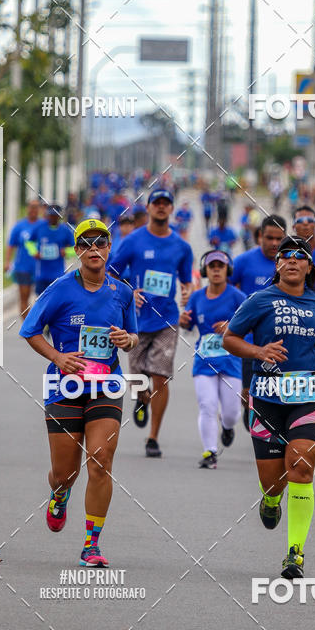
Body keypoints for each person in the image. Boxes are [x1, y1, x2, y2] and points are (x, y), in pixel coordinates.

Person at [223, 236, 315, 579]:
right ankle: (270, 500)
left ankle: (295, 553)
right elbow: (230, 339)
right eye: (285, 256)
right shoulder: (260, 300)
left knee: (300, 465)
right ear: (277, 265)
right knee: (274, 482)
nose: (292, 261)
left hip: (308, 396)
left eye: (300, 256)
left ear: (309, 267)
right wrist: (258, 352)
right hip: (266, 398)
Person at [20, 219, 138, 567]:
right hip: (65, 386)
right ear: (77, 250)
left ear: (109, 247)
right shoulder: (59, 289)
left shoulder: (122, 292)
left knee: (100, 460)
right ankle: (60, 493)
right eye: (85, 244)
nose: (93, 249)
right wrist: (58, 357)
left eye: (100, 242)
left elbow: (133, 338)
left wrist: (126, 341)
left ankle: (92, 543)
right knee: (65, 472)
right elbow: (30, 330)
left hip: (106, 384)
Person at [108, 188, 193, 458]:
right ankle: (142, 399)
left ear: (171, 209)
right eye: (156, 203)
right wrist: (129, 292)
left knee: (161, 376)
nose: (161, 207)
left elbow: (186, 279)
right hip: (136, 321)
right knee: (137, 377)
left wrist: (188, 292)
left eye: (166, 203)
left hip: (166, 318)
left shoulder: (181, 246)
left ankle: (153, 437)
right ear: (149, 207)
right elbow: (111, 273)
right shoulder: (133, 241)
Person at [179, 251, 245, 469]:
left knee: (231, 412)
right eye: (212, 265)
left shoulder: (238, 297)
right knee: (207, 405)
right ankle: (210, 452)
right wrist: (183, 320)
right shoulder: (197, 297)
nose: (216, 269)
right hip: (204, 362)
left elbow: (251, 327)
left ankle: (227, 427)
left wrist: (231, 328)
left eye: (221, 265)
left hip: (231, 363)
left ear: (228, 270)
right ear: (206, 270)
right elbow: (187, 325)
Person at [230, 215, 287, 429]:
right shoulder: (243, 261)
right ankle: (249, 406)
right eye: (269, 238)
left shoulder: (289, 264)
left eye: (279, 239)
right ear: (259, 236)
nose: (274, 243)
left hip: (281, 341)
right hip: (250, 342)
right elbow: (224, 290)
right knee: (249, 393)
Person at [5, 199, 42, 317]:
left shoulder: (43, 225)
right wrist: (7, 262)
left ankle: (40, 325)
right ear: (27, 208)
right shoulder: (20, 226)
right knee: (24, 297)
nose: (33, 210)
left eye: (36, 207)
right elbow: (11, 245)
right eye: (31, 207)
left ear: (39, 210)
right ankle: (28, 329)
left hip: (41, 268)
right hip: (23, 267)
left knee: (42, 298)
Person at [31, 205, 75, 296]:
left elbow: (76, 248)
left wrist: (66, 252)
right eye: (51, 215)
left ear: (59, 216)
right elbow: (29, 241)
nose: (53, 218)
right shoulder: (40, 227)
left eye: (55, 215)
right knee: (40, 300)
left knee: (57, 301)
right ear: (47, 215)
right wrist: (34, 252)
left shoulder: (65, 230)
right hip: (42, 274)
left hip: (58, 274)